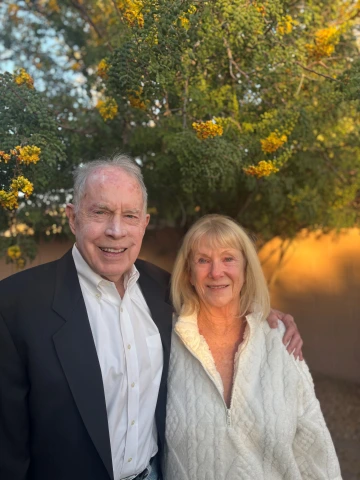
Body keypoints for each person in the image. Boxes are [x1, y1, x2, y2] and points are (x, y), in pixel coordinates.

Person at [0, 155, 302, 480]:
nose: (116, 231)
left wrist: (264, 317)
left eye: (129, 216)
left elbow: (219, 305)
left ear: (143, 224)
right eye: (100, 212)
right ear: (73, 219)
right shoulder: (15, 305)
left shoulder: (164, 290)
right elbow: (7, 450)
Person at [165, 214, 341, 480]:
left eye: (228, 258)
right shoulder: (163, 340)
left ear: (246, 270)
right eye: (203, 260)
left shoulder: (278, 338)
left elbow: (314, 445)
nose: (216, 272)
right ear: (188, 273)